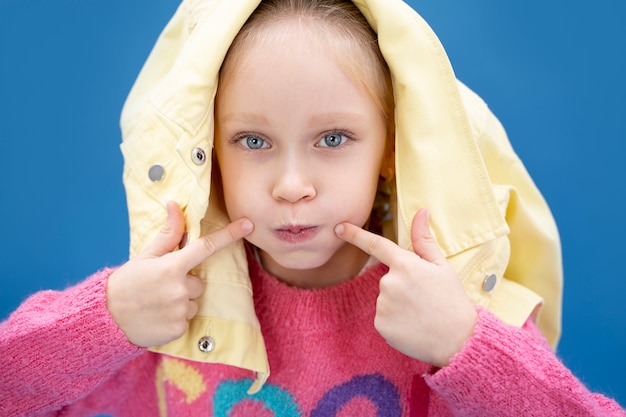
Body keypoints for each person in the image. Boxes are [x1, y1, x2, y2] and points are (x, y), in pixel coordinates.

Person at [1, 0, 625, 415]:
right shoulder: (165, 307)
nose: (292, 183)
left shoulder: (448, 312)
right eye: (253, 141)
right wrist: (104, 319)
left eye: (333, 139)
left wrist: (467, 344)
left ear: (389, 150)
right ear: (208, 153)